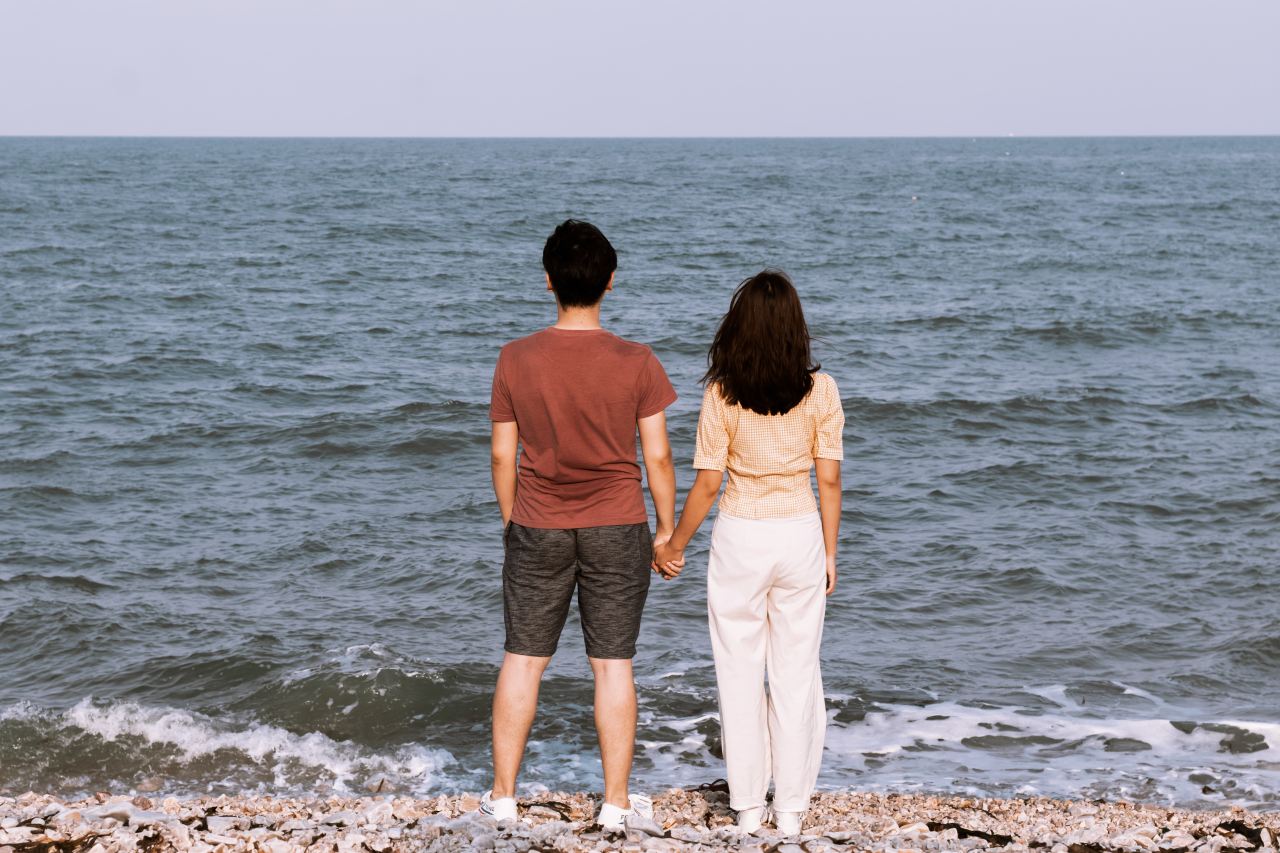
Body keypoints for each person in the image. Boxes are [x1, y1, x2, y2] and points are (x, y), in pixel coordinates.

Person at [481, 219, 678, 830]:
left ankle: (505, 797)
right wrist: (666, 531)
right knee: (613, 663)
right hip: (618, 522)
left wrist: (514, 519)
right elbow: (659, 457)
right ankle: (616, 804)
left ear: (548, 282)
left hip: (538, 522)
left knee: (522, 657)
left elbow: (500, 455)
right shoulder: (637, 361)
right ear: (610, 282)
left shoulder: (515, 358)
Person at [654, 269, 844, 837]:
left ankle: (746, 807)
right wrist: (830, 552)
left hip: (740, 533)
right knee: (795, 672)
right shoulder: (823, 390)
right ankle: (789, 810)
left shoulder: (722, 392)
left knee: (737, 671)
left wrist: (673, 545)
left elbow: (708, 484)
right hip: (799, 533)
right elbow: (829, 481)